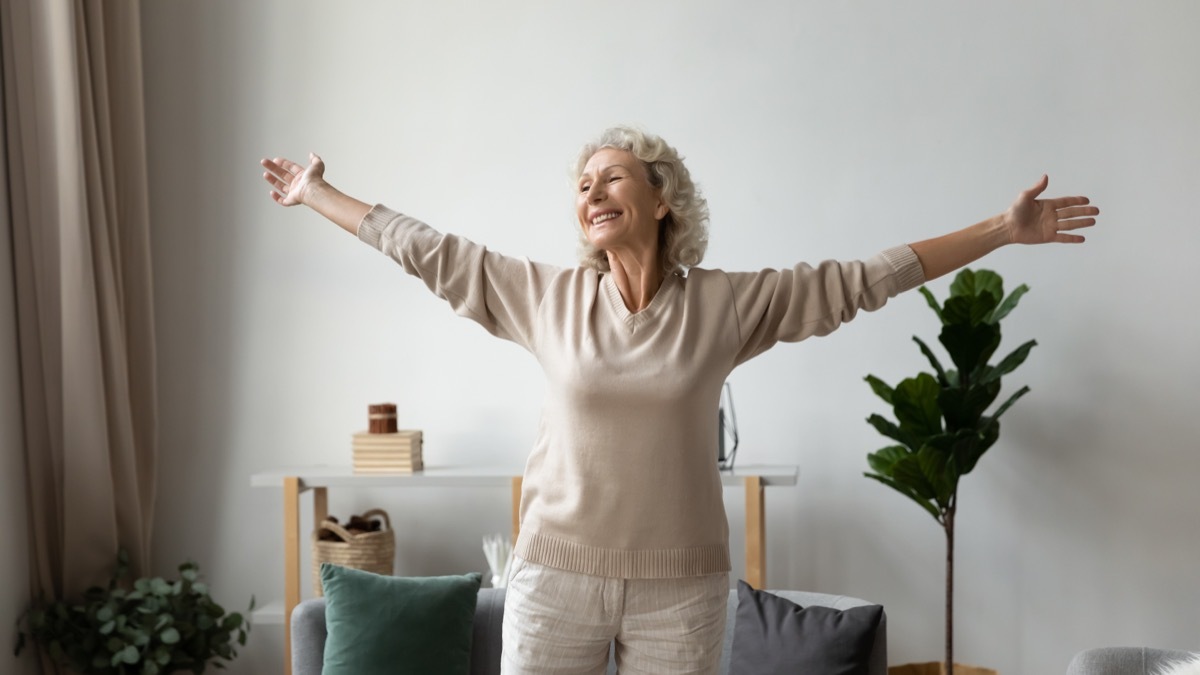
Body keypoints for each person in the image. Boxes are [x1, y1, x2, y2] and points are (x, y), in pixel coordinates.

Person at [260, 127, 1097, 674]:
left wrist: (1000, 228)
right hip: (554, 579)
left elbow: (861, 281)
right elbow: (426, 250)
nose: (590, 192)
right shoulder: (543, 297)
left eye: (611, 177)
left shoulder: (725, 306)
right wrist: (315, 194)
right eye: (582, 184)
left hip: (684, 592)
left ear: (661, 201)